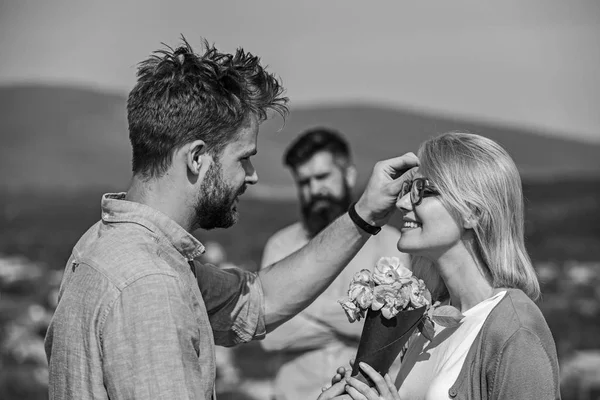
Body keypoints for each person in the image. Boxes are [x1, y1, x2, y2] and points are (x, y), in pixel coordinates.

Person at [43, 37, 419, 400]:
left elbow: (260, 300)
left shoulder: (111, 246)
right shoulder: (150, 284)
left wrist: (365, 213)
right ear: (196, 158)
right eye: (244, 157)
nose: (252, 175)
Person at [319, 132, 561, 400]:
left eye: (421, 190)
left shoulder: (517, 329)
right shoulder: (430, 320)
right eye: (406, 191)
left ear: (473, 212)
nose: (401, 203)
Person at [259, 128, 408, 400]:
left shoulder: (390, 243)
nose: (314, 190)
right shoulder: (280, 245)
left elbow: (390, 329)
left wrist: (296, 306)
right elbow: (269, 337)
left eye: (322, 177)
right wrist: (350, 321)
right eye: (304, 182)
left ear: (349, 175)